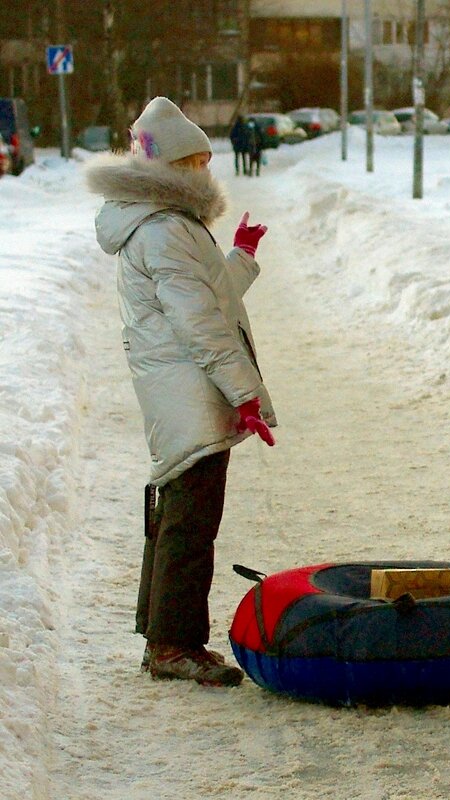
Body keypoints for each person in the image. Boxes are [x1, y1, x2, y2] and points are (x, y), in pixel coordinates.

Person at [86, 96, 277, 687]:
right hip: (187, 385)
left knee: (179, 511)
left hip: (181, 383)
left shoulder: (163, 224)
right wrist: (246, 394)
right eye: (196, 163)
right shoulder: (165, 230)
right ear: (169, 166)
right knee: (191, 520)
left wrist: (241, 256)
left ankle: (163, 636)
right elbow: (202, 325)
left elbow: (211, 293)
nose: (205, 173)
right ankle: (174, 645)